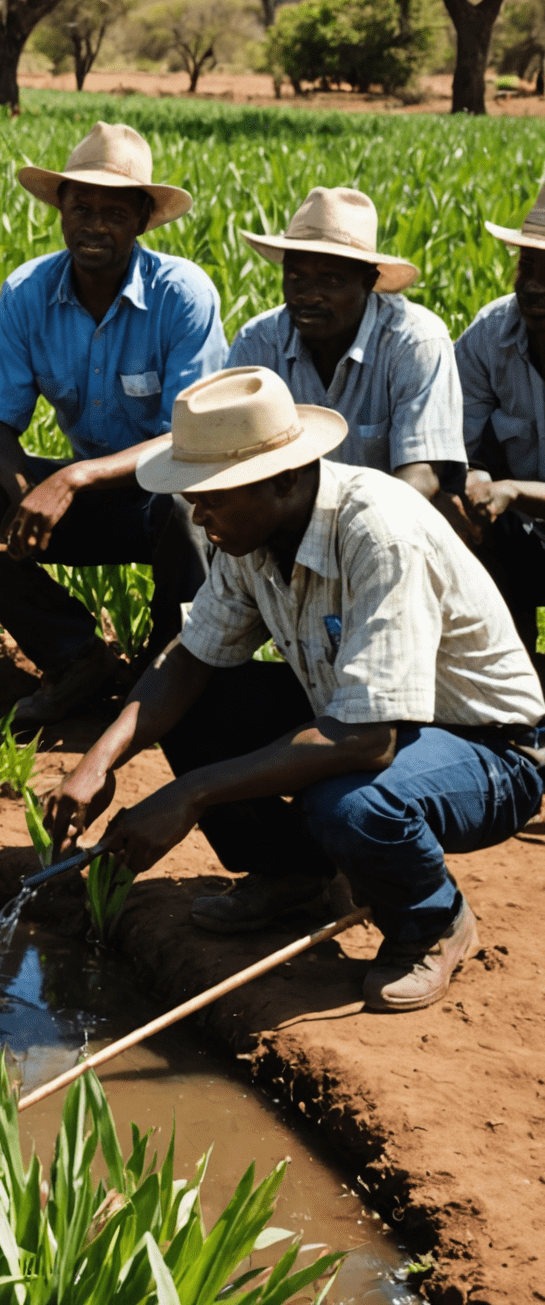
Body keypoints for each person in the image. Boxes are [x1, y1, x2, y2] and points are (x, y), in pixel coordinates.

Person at [46, 366, 544, 1013]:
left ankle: (433, 920)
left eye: (211, 495)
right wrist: (100, 759)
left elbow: (367, 740)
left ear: (283, 480)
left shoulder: (379, 532)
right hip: (360, 713)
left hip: (489, 750)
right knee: (198, 707)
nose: (197, 513)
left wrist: (190, 794)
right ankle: (294, 877)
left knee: (351, 803)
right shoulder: (249, 534)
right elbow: (190, 659)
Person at [0, 121, 225, 725]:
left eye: (114, 211)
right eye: (81, 207)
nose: (94, 224)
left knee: (185, 502)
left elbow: (190, 438)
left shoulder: (182, 295)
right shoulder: (28, 292)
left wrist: (71, 481)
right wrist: (23, 499)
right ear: (61, 211)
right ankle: (75, 657)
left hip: (164, 489)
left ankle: (167, 674)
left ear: (143, 220)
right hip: (94, 497)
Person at [228, 186, 465, 497]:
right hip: (281, 519)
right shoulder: (257, 342)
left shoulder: (413, 342)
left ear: (368, 282)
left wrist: (344, 525)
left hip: (386, 522)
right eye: (295, 277)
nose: (307, 295)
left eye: (330, 279)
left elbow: (421, 476)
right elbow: (231, 458)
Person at [455, 174, 545, 666]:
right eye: (526, 265)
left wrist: (513, 490)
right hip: (522, 534)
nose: (533, 284)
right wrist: (475, 477)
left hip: (526, 507)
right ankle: (510, 691)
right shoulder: (490, 335)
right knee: (464, 523)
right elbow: (454, 441)